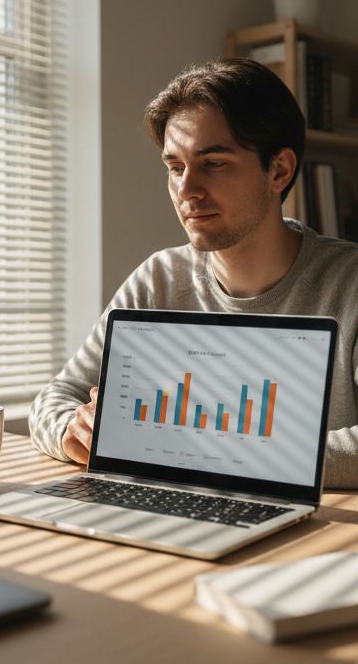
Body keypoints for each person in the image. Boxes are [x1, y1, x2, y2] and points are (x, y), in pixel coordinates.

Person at [30, 58, 358, 486]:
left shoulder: (349, 284)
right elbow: (56, 397)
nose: (186, 190)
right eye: (175, 167)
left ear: (279, 170)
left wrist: (202, 452)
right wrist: (72, 432)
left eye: (214, 163)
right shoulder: (159, 278)